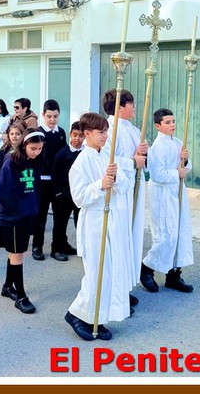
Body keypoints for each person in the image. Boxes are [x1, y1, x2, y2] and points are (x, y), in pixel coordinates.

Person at [65, 112, 131, 342]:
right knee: (96, 272)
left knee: (109, 272)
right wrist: (100, 185)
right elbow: (79, 198)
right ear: (87, 134)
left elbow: (125, 186)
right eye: (101, 132)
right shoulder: (81, 162)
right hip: (94, 222)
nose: (105, 136)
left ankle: (97, 318)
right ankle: (76, 314)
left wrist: (116, 177)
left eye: (106, 131)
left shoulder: (107, 156)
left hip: (111, 220)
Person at [102, 89, 148, 310]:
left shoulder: (133, 129)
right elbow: (109, 160)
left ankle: (125, 287)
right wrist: (133, 161)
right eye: (131, 103)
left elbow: (141, 158)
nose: (134, 107)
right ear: (121, 107)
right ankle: (115, 292)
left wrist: (144, 152)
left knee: (131, 238)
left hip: (133, 192)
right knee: (119, 241)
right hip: (119, 193)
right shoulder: (109, 129)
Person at [0, 128, 46, 314]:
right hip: (13, 216)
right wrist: (20, 211)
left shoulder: (34, 161)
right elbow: (2, 192)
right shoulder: (11, 162)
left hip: (27, 214)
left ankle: (8, 286)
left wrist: (34, 208)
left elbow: (36, 187)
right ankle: (21, 296)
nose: (36, 152)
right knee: (17, 255)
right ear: (24, 145)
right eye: (33, 148)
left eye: (40, 149)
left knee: (15, 253)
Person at [140, 108, 194, 294]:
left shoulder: (178, 142)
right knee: (166, 235)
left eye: (173, 121)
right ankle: (147, 268)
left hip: (177, 192)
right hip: (163, 194)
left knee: (180, 232)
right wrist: (177, 173)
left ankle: (173, 275)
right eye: (167, 122)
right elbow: (156, 174)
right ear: (158, 126)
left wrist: (185, 161)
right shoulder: (157, 147)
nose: (172, 125)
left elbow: (186, 167)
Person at [31, 99, 68, 261]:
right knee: (40, 216)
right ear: (43, 115)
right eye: (49, 116)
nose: (52, 120)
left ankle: (58, 247)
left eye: (55, 116)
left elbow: (64, 156)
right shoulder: (38, 133)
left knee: (60, 216)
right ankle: (37, 246)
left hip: (58, 182)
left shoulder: (61, 133)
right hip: (42, 181)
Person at [50, 121, 85, 259]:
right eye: (75, 135)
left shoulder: (85, 153)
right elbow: (55, 174)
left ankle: (80, 248)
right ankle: (56, 249)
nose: (77, 139)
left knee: (81, 223)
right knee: (60, 223)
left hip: (80, 194)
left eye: (81, 136)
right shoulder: (63, 153)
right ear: (70, 134)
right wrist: (58, 193)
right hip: (64, 195)